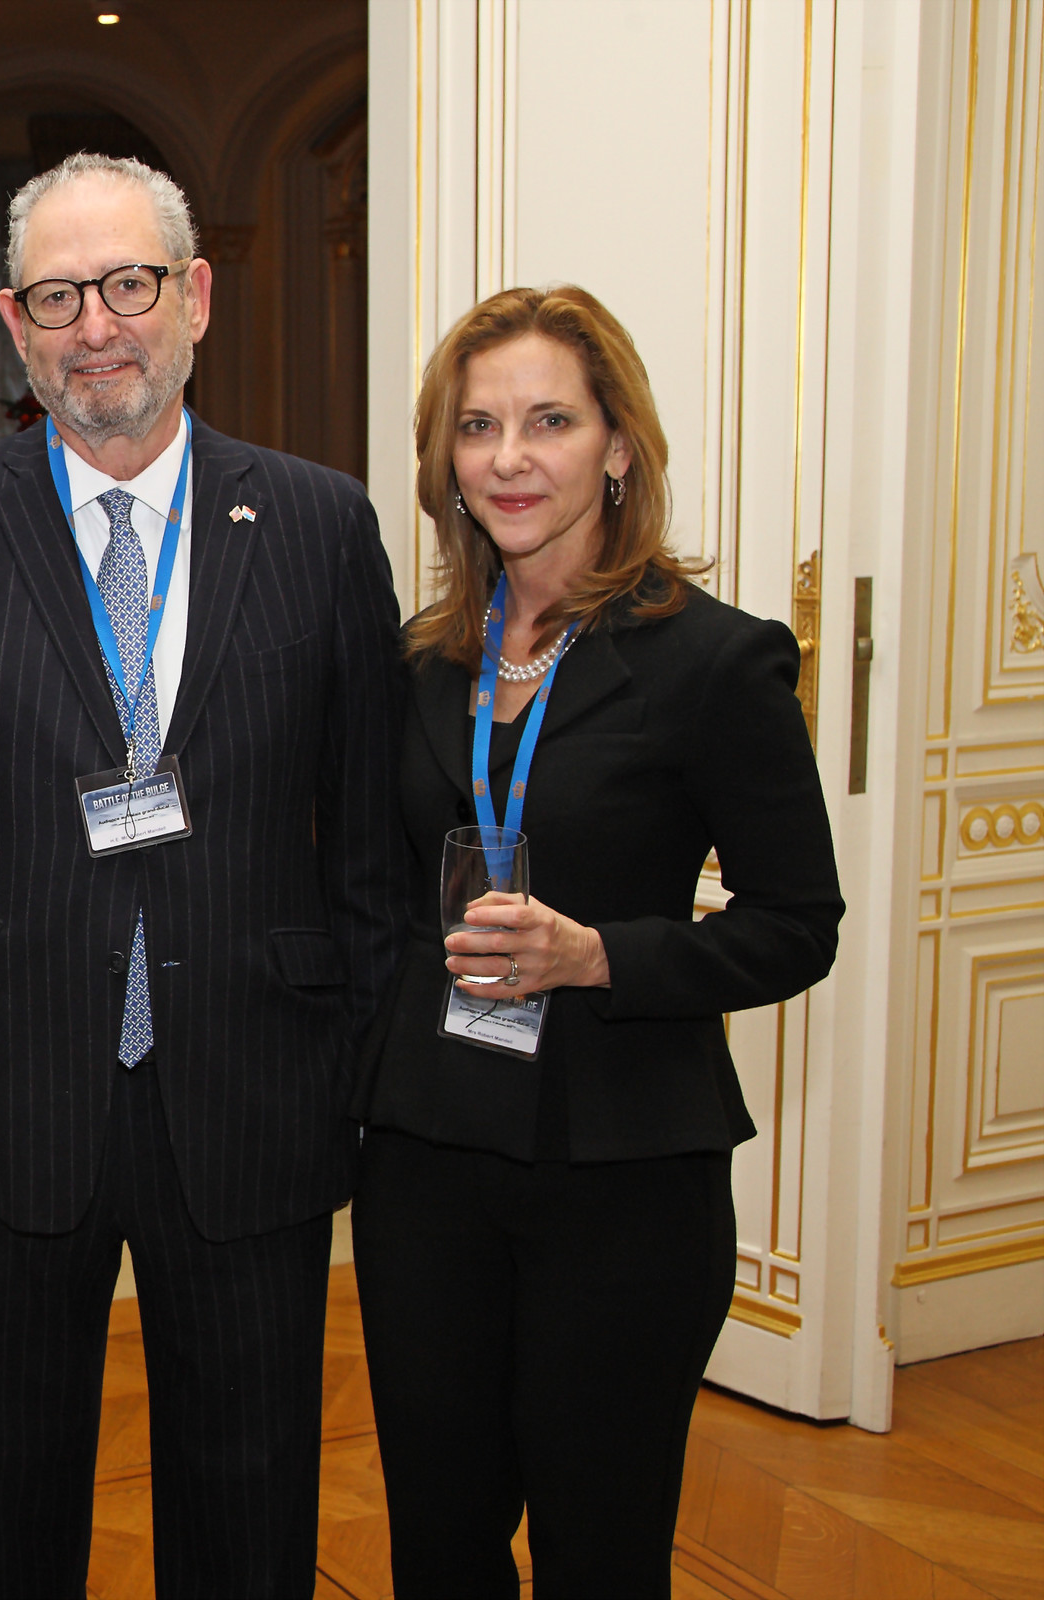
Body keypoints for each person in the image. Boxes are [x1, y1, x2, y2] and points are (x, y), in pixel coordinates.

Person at [0, 152, 411, 1597]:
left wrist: (352, 1078)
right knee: (10, 1500)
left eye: (129, 285)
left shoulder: (319, 523)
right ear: (16, 323)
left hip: (254, 1092)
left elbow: (365, 844)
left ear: (196, 298)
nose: (96, 324)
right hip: (0, 1096)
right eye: (57, 295)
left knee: (253, 1501)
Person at [351, 285, 844, 1595]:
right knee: (440, 1542)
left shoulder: (717, 662)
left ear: (618, 447)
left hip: (624, 1170)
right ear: (443, 459)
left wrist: (601, 956)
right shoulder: (421, 667)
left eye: (549, 421)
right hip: (426, 1163)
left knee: (600, 1548)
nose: (509, 457)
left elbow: (799, 926)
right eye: (477, 425)